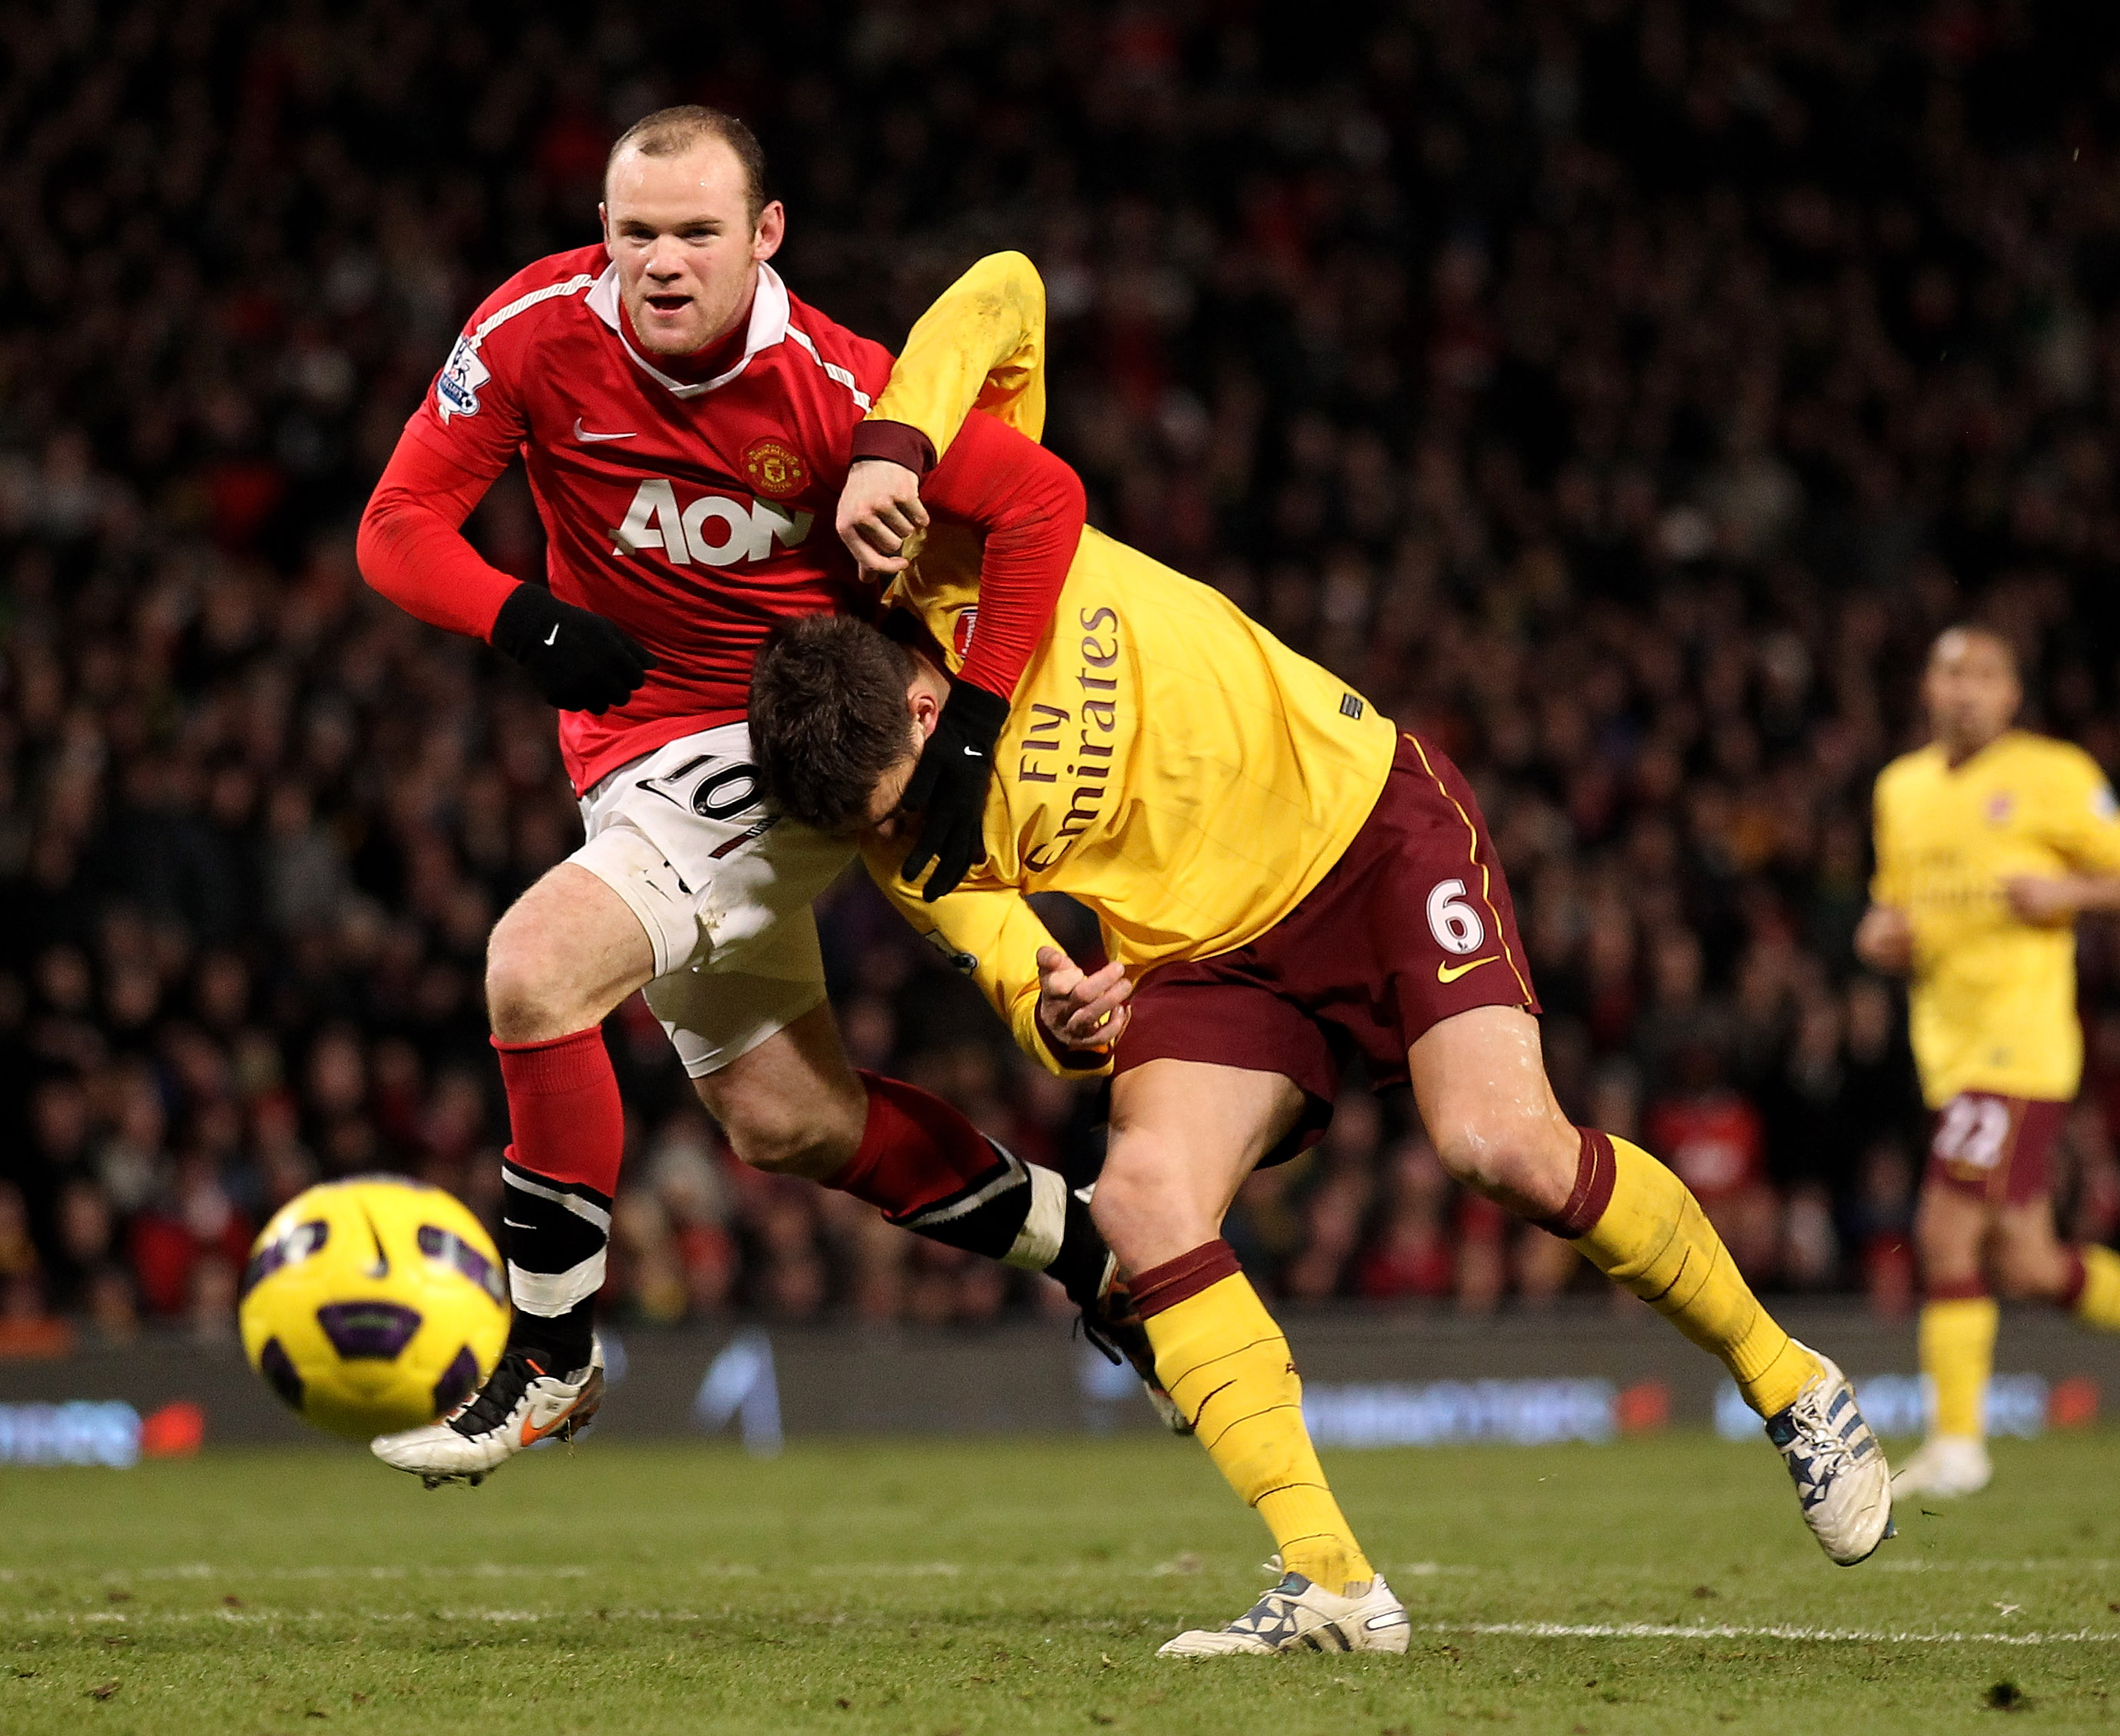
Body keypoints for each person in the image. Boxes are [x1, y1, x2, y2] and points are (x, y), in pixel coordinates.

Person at [755, 255, 1893, 1657]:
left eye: (903, 791)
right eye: (877, 828)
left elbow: (1006, 289)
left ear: (925, 700)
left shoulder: (949, 530)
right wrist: (1065, 1009)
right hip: (1210, 963)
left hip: (1367, 827)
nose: (906, 830)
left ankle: (1795, 1389)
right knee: (1144, 1196)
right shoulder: (897, 835)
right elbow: (1005, 958)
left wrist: (892, 440)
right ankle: (1339, 1585)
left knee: (1502, 1149)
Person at [353, 108, 1138, 1486]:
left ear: (764, 236)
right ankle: (1100, 1248)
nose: (662, 263)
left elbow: (1042, 503)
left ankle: (552, 1360)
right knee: (787, 1120)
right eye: (636, 231)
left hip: (789, 736)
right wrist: (520, 618)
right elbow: (396, 529)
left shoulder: (840, 389)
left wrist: (975, 719)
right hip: (629, 760)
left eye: (696, 233)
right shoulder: (533, 329)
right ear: (603, 230)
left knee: (533, 975)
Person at [1855, 626, 2120, 1500]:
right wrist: (1878, 937)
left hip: (2019, 1046)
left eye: (1984, 676)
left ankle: (1959, 1444)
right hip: (1947, 1049)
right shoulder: (1901, 789)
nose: (1965, 690)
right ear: (1927, 689)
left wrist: (2071, 893)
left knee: (1944, 1231)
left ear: (2012, 695)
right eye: (1950, 674)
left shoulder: (2058, 775)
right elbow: (1888, 912)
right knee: (2030, 1264)